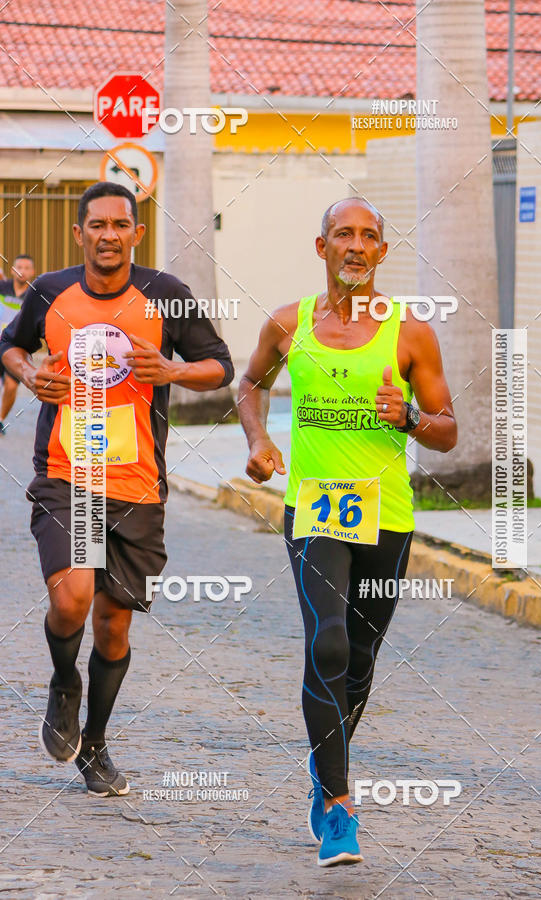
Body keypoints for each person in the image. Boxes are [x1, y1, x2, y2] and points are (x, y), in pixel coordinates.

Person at [237, 198, 457, 866]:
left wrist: (410, 418)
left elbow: (449, 432)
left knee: (359, 661)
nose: (356, 246)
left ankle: (321, 769)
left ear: (382, 253)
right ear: (321, 246)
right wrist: (259, 440)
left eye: (369, 237)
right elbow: (249, 385)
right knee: (328, 643)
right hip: (316, 506)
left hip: (386, 513)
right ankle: (339, 808)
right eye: (343, 235)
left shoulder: (411, 332)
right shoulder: (288, 322)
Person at [0, 182, 233, 797]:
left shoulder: (166, 295)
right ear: (80, 234)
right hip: (69, 474)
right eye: (96, 225)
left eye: (120, 225)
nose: (108, 235)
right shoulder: (50, 291)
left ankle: (95, 743)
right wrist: (29, 373)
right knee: (73, 598)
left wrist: (175, 370)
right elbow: (11, 345)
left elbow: (220, 364)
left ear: (135, 233)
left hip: (137, 486)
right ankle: (62, 684)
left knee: (112, 627)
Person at [0, 254, 36, 433]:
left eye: (26, 268)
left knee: (11, 385)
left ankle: (0, 420)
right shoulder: (2, 286)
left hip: (16, 347)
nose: (22, 271)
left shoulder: (34, 295)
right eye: (18, 267)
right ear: (12, 269)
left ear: (32, 272)